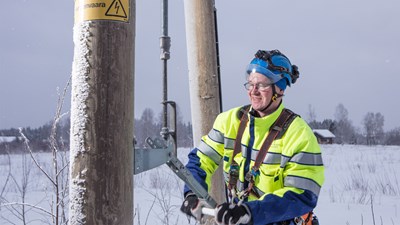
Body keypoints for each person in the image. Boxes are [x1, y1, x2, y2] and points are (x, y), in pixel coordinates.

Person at [180, 49, 325, 225]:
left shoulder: (299, 135)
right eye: (250, 84)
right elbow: (201, 160)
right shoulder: (229, 122)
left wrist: (250, 213)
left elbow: (302, 195)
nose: (253, 91)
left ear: (280, 88)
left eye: (262, 85)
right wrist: (192, 192)